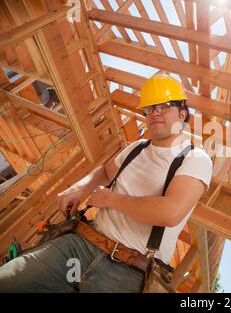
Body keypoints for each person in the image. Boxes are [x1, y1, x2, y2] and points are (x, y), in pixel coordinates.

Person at [0, 74, 213, 292]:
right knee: (9, 281)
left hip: (128, 272)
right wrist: (78, 188)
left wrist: (112, 200)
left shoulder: (195, 158)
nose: (155, 112)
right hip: (80, 244)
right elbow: (104, 172)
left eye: (165, 106)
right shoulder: (137, 147)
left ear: (183, 114)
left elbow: (170, 212)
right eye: (149, 108)